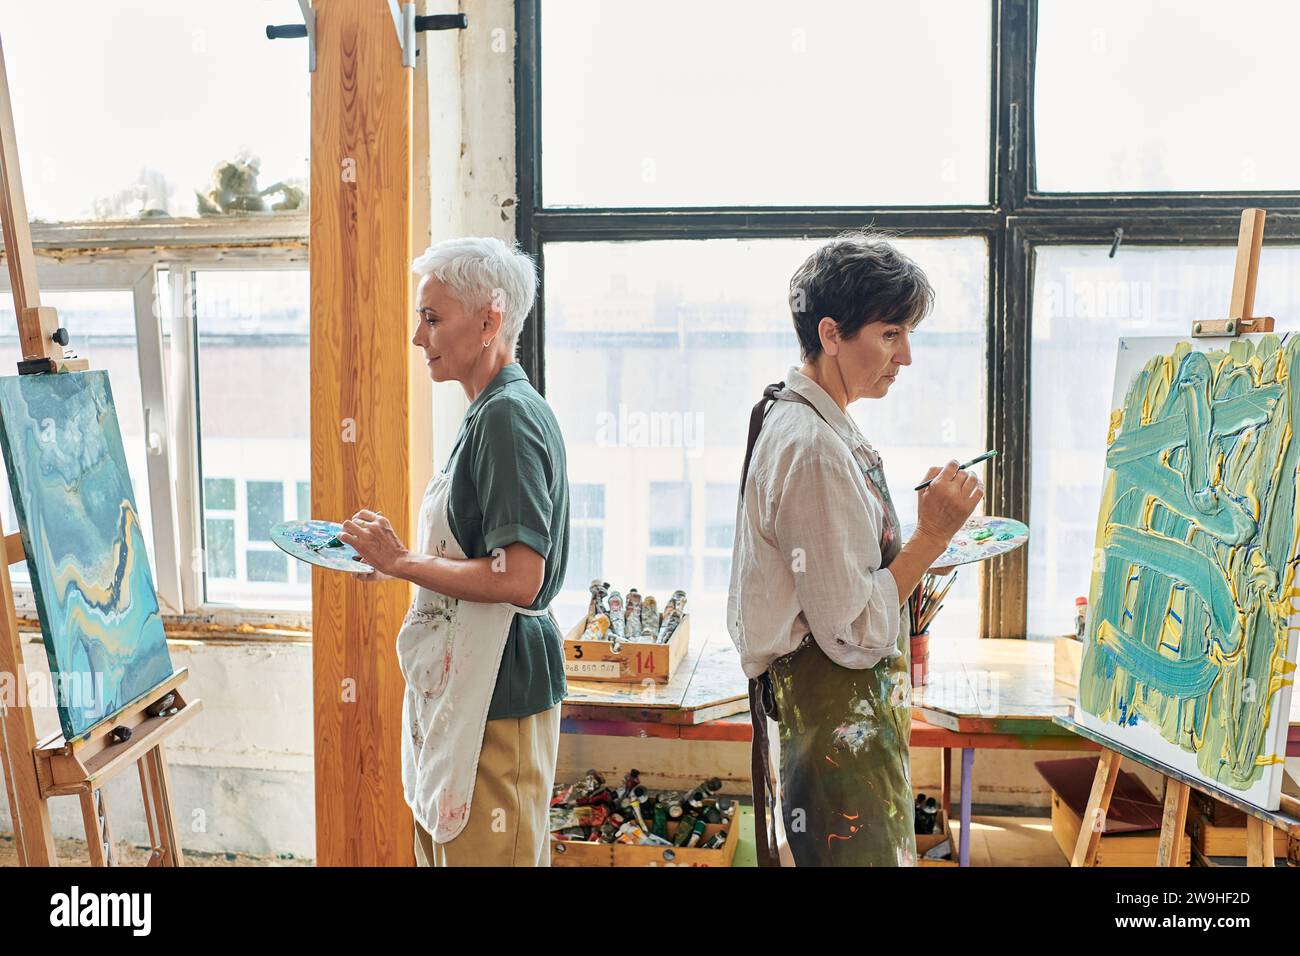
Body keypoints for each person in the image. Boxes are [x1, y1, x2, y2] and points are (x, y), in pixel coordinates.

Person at [727, 232, 983, 866]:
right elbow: (851, 630)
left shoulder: (816, 422)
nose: (907, 357)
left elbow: (848, 576)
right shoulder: (812, 448)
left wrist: (925, 537)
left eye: (907, 334)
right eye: (891, 334)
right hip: (839, 721)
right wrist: (931, 536)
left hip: (845, 719)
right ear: (832, 333)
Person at [339, 236, 569, 867]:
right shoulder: (486, 412)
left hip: (501, 685)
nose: (419, 337)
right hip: (471, 678)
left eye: (433, 318)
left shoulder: (507, 418)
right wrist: (397, 562)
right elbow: (481, 556)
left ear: (490, 320)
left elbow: (520, 576)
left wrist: (404, 562)